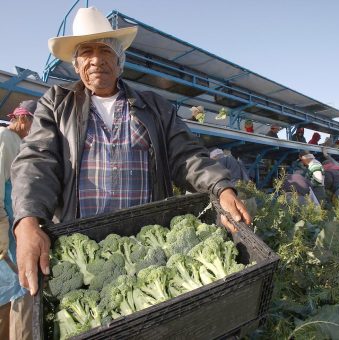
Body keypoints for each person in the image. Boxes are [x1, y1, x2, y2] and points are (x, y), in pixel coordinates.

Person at [10, 7, 251, 297]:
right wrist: (27, 219)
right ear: (76, 64)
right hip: (83, 240)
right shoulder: (56, 105)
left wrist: (220, 186)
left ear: (119, 60)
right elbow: (37, 160)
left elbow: (186, 156)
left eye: (105, 51)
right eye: (86, 52)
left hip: (147, 243)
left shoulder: (155, 107)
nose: (96, 60)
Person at [0, 100, 36, 340]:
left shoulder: (20, 142)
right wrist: (2, 224)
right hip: (7, 228)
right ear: (24, 119)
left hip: (15, 225)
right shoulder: (6, 138)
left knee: (13, 290)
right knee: (17, 288)